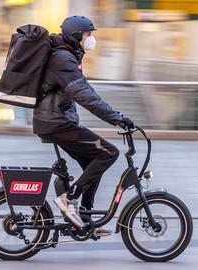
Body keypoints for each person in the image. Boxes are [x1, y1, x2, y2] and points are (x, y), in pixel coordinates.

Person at [33, 16, 134, 236]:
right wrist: (117, 118)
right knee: (109, 152)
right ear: (77, 36)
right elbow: (85, 96)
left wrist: (116, 115)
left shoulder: (68, 55)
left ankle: (85, 220)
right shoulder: (63, 59)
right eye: (88, 35)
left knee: (93, 162)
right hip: (55, 122)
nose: (91, 39)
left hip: (56, 121)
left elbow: (86, 91)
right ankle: (68, 199)